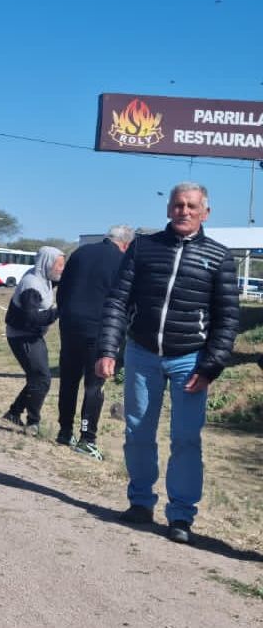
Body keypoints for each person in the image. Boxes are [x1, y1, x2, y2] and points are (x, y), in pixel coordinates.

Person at [96, 182, 239, 544]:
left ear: (205, 212)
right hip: (142, 354)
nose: (184, 211)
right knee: (138, 431)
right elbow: (117, 301)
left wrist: (211, 366)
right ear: (168, 209)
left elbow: (227, 319)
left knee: (186, 439)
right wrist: (108, 349)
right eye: (178, 205)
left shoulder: (220, 257)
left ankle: (181, 516)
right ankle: (140, 502)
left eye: (192, 206)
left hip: (190, 361)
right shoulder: (144, 247)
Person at [54, 225, 134, 459]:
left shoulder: (80, 252)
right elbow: (124, 299)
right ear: (126, 244)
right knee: (94, 384)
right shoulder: (123, 260)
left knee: (68, 379)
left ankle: (64, 430)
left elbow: (62, 289)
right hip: (98, 329)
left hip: (69, 325)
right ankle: (87, 438)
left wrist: (65, 313)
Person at [2, 246, 65, 436]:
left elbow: (59, 281)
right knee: (42, 378)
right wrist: (59, 312)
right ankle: (33, 423)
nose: (62, 269)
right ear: (47, 263)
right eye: (60, 265)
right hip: (22, 335)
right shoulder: (32, 286)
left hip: (31, 335)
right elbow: (31, 318)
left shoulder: (43, 278)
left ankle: (13, 413)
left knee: (37, 376)